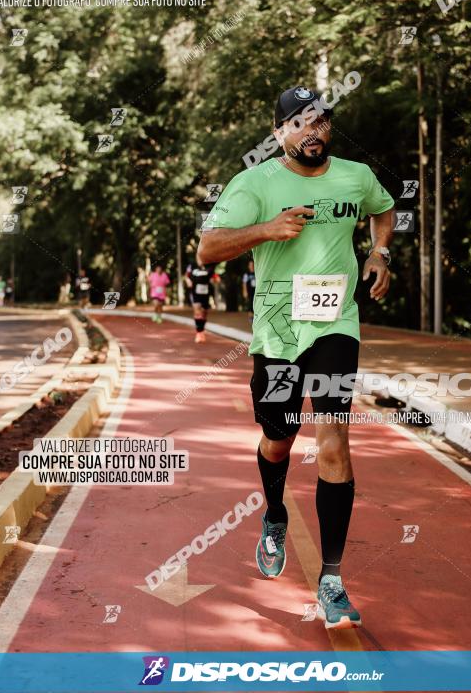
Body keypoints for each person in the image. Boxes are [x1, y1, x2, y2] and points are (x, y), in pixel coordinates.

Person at [198, 84, 394, 629]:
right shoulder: (254, 183)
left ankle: (331, 578)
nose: (314, 132)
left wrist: (379, 254)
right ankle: (276, 513)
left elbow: (384, 209)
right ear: (280, 131)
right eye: (302, 123)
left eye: (322, 122)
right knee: (279, 438)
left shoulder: (356, 175)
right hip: (279, 334)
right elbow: (208, 247)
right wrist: (267, 229)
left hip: (336, 326)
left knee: (333, 437)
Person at [184, 256, 215, 343]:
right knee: (197, 312)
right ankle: (199, 333)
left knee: (204, 313)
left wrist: (214, 280)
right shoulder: (192, 266)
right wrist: (188, 281)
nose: (200, 260)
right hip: (195, 292)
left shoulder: (209, 267)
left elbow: (214, 277)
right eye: (198, 258)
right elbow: (186, 276)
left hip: (206, 293)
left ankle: (202, 329)